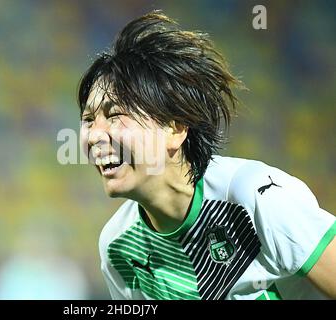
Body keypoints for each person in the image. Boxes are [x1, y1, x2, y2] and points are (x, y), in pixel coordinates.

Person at [76, 11, 335, 300]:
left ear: (174, 129)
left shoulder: (258, 198)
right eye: (88, 120)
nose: (95, 135)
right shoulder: (117, 248)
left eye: (115, 116)